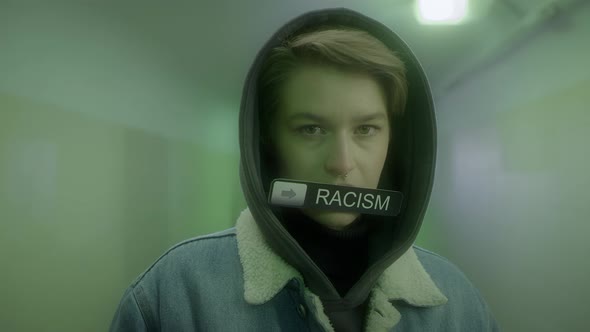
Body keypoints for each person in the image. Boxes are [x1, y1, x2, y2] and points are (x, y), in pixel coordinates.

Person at [109, 8, 499, 332]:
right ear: (269, 142)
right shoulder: (174, 295)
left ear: (392, 142)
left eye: (366, 129)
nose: (342, 163)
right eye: (311, 129)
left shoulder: (457, 304)